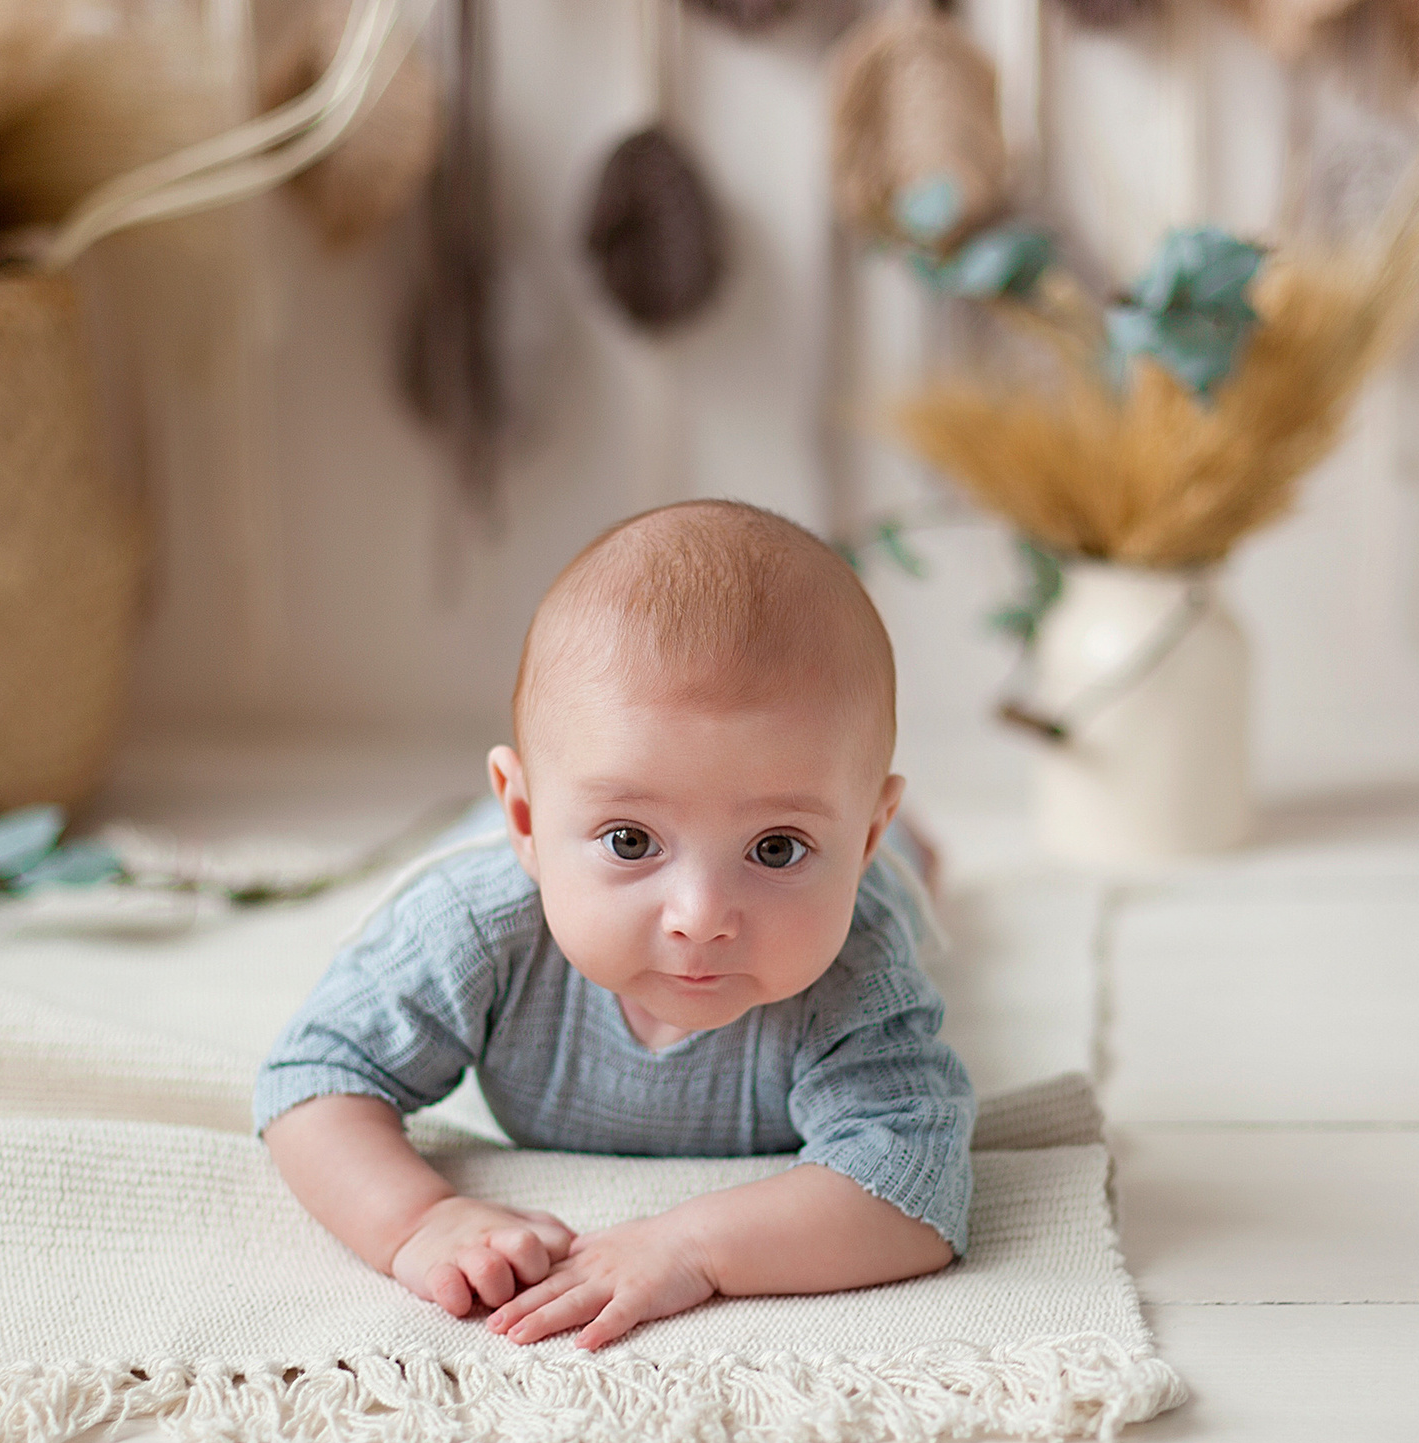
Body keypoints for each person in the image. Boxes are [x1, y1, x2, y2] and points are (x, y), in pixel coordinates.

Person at [255, 499, 974, 1350]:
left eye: (776, 847)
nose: (701, 917)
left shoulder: (855, 968)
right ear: (523, 818)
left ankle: (908, 850)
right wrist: (416, 1220)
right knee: (464, 864)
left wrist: (693, 1245)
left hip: (864, 873)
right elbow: (313, 1074)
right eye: (631, 840)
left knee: (904, 889)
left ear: (861, 836)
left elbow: (915, 1185)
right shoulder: (480, 927)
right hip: (503, 859)